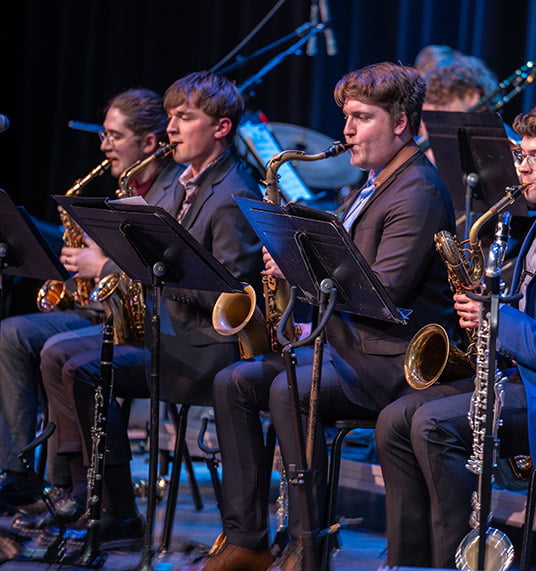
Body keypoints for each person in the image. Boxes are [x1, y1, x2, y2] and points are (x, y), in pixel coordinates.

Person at [199, 62, 456, 570]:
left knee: (285, 389)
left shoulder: (419, 190)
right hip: (347, 347)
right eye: (346, 116)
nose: (347, 130)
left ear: (400, 121)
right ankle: (246, 538)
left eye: (362, 117)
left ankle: (307, 543)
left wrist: (299, 270)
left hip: (388, 362)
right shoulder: (371, 183)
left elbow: (382, 290)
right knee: (234, 382)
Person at [375, 99, 536, 568]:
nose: (523, 169)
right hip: (530, 383)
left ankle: (457, 562)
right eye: (521, 155)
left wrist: (499, 320)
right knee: (394, 420)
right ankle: (407, 562)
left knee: (433, 426)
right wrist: (488, 306)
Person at [28, 71, 263, 548]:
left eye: (184, 118)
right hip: (172, 332)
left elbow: (233, 292)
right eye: (171, 117)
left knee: (87, 369)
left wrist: (142, 270)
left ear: (220, 128)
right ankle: (89, 499)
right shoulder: (187, 185)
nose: (172, 129)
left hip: (206, 348)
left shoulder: (233, 192)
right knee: (69, 361)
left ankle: (117, 513)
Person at [0, 88, 180, 516]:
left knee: (54, 350)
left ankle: (70, 486)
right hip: (96, 309)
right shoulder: (124, 186)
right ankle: (18, 471)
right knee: (11, 333)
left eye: (114, 136)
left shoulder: (172, 191)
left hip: (138, 322)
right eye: (103, 135)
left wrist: (101, 265)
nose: (104, 146)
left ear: (149, 143)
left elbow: (157, 267)